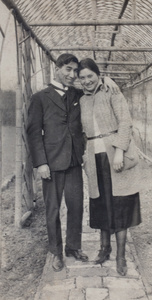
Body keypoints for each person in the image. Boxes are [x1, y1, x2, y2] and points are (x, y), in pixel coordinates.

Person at [27, 53, 119, 272]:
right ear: (57, 68)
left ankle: (73, 247)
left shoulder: (78, 94)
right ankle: (56, 252)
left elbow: (95, 87)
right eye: (68, 69)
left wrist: (106, 79)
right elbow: (33, 133)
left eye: (75, 71)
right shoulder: (40, 98)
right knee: (53, 209)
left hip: (74, 162)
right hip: (51, 163)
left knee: (76, 206)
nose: (72, 75)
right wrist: (41, 163)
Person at [78, 58, 141, 276]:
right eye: (82, 77)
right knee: (101, 204)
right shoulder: (82, 100)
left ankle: (121, 257)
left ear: (98, 74)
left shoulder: (112, 92)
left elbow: (125, 121)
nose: (87, 81)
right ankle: (105, 249)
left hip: (114, 155)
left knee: (120, 204)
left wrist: (119, 152)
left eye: (90, 76)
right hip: (94, 159)